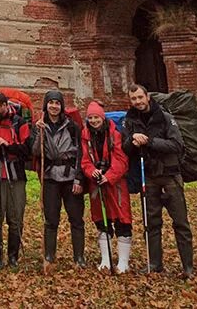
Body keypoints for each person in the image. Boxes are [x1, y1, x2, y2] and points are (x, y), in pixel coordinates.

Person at [121, 83, 194, 278]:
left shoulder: (165, 118)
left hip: (170, 176)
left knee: (180, 222)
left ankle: (188, 266)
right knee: (151, 223)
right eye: (133, 99)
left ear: (147, 97)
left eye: (140, 98)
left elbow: (177, 145)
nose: (137, 102)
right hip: (150, 177)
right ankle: (154, 263)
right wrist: (132, 140)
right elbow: (125, 148)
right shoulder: (130, 121)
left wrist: (151, 141)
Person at [0, 91, 33, 268]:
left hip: (15, 174)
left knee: (15, 216)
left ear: (4, 105)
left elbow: (27, 150)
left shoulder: (20, 122)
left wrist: (9, 147)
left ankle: (13, 256)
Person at [81, 100, 132, 273]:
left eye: (96, 117)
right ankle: (106, 259)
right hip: (97, 184)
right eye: (91, 118)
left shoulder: (115, 134)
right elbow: (85, 160)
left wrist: (108, 176)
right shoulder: (85, 135)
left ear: (102, 118)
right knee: (101, 221)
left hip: (116, 184)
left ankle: (123, 262)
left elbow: (121, 159)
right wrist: (92, 172)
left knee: (122, 219)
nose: (94, 121)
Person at [36, 90, 86, 267]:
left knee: (76, 218)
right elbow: (35, 152)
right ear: (46, 105)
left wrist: (79, 179)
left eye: (57, 103)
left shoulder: (72, 127)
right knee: (51, 219)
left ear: (61, 106)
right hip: (50, 177)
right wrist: (38, 133)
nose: (54, 106)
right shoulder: (40, 126)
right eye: (51, 103)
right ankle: (49, 256)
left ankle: (79, 257)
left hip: (70, 176)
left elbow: (82, 153)